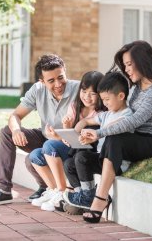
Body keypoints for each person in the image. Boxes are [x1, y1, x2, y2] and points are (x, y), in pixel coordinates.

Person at [76, 40, 152, 223]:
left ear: (143, 62)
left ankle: (100, 199)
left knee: (114, 139)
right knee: (86, 154)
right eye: (125, 65)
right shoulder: (137, 87)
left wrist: (100, 133)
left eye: (130, 64)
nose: (127, 69)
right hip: (133, 138)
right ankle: (82, 190)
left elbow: (133, 121)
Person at [0, 54, 80, 206]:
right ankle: (4, 190)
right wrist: (16, 131)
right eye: (51, 81)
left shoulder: (79, 89)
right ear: (41, 81)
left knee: (31, 160)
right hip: (47, 138)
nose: (58, 84)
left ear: (65, 71)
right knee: (7, 132)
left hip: (69, 144)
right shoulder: (37, 90)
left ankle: (45, 186)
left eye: (61, 77)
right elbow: (15, 115)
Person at [28, 71, 106, 212]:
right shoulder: (75, 106)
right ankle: (54, 190)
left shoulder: (101, 114)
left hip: (87, 151)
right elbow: (70, 138)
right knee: (35, 155)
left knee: (49, 145)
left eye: (92, 93)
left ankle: (62, 191)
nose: (87, 97)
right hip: (73, 147)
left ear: (100, 94)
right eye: (84, 91)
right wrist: (63, 130)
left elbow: (93, 139)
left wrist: (59, 138)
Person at [62, 71, 133, 211]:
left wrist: (95, 133)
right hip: (101, 157)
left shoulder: (127, 115)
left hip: (115, 162)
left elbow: (114, 128)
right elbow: (89, 120)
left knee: (81, 158)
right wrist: (81, 124)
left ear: (121, 96)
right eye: (103, 100)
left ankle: (88, 195)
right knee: (69, 163)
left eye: (107, 99)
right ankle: (80, 195)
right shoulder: (107, 114)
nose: (105, 103)